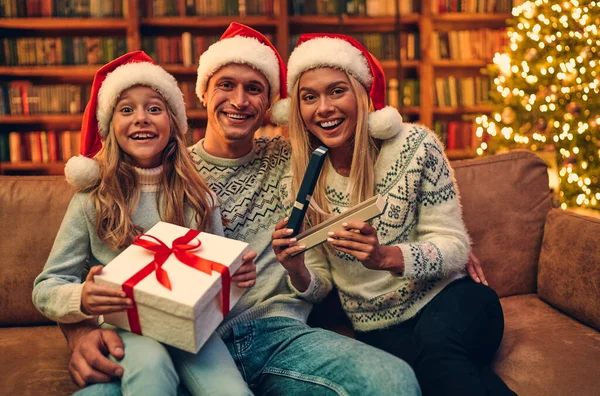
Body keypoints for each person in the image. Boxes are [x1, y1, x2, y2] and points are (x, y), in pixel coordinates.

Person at [58, 24, 422, 396]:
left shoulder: (295, 161)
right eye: (226, 85)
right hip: (183, 341)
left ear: (270, 105)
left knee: (392, 381)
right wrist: (78, 331)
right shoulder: (165, 172)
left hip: (277, 335)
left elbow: (379, 164)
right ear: (203, 93)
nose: (240, 100)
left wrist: (445, 242)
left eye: (254, 89)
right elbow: (83, 271)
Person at [272, 33, 515, 396]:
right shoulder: (297, 181)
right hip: (378, 328)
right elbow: (320, 283)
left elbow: (454, 246)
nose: (323, 107)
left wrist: (386, 256)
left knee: (437, 351)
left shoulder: (415, 146)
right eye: (310, 97)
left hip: (450, 300)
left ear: (361, 94)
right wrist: (297, 269)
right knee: (420, 376)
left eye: (337, 91)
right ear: (298, 110)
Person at [33, 51, 257, 396]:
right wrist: (83, 298)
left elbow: (216, 278)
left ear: (174, 124)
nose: (141, 119)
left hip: (192, 330)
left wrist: (237, 278)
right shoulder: (93, 200)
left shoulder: (200, 197)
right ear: (109, 127)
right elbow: (46, 286)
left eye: (154, 108)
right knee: (150, 371)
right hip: (128, 329)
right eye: (126, 110)